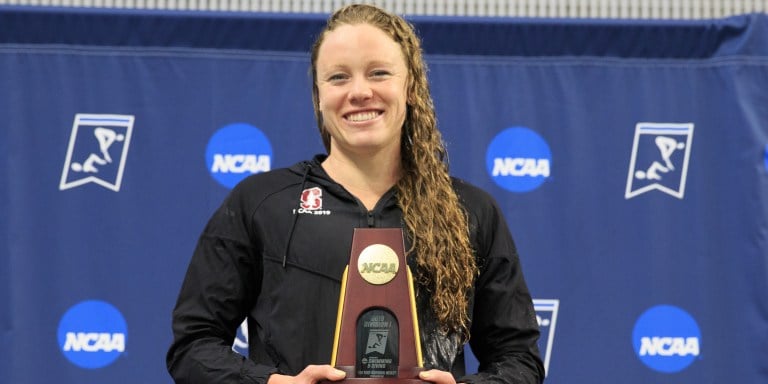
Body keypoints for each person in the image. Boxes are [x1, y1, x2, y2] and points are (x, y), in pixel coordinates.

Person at [166, 4, 544, 384]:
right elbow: (193, 348)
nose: (360, 92)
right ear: (318, 95)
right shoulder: (261, 203)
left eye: (378, 73)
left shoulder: (469, 211)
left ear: (410, 86)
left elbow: (520, 361)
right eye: (338, 77)